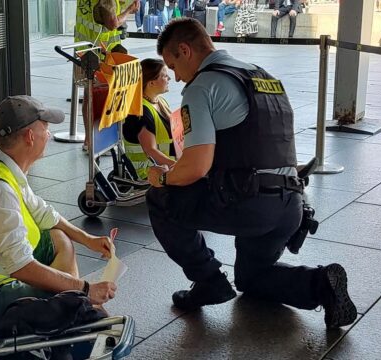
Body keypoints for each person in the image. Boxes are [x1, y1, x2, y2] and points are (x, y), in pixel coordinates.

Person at [148, 18, 357, 329]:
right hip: (290, 206)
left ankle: (208, 281)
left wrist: (161, 177)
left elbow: (196, 166)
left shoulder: (202, 86)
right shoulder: (263, 76)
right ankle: (321, 284)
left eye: (173, 65)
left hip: (249, 203)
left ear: (184, 50)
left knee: (160, 199)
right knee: (252, 277)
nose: (177, 78)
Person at [0, 95, 117, 337]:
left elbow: (43, 212)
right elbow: (21, 266)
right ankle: (72, 312)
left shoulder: (2, 164)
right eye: (46, 128)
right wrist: (84, 288)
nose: (50, 135)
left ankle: (69, 310)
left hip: (5, 267)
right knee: (88, 311)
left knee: (58, 237)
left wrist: (86, 238)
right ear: (30, 137)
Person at [75, 0, 141, 150]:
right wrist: (130, 10)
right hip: (101, 51)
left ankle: (90, 140)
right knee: (101, 95)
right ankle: (96, 141)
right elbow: (112, 22)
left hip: (85, 48)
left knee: (89, 95)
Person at [123, 59, 176, 180]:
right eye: (164, 75)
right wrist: (178, 166)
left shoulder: (160, 102)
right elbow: (150, 150)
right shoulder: (141, 112)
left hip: (164, 166)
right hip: (149, 171)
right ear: (151, 83)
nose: (169, 78)